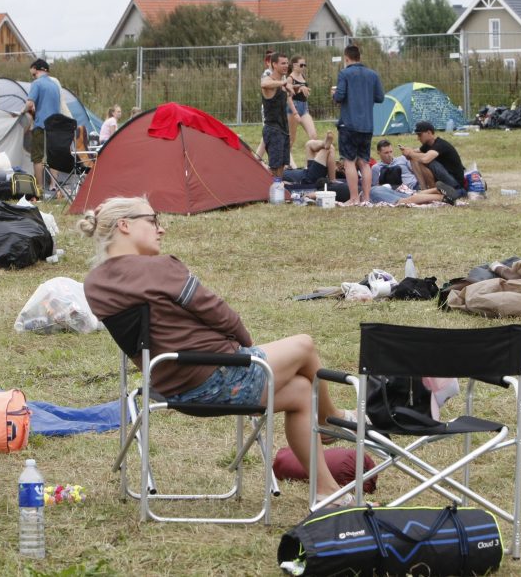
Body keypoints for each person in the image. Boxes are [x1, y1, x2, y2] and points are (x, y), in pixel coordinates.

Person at [79, 196, 351, 505]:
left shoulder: (95, 284)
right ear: (124, 225)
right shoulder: (160, 269)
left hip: (169, 388)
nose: (162, 229)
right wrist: (246, 346)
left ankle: (327, 489)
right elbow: (221, 314)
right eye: (153, 220)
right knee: (304, 344)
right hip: (215, 376)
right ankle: (331, 420)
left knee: (303, 391)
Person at [332, 45, 384, 205]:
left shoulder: (345, 73)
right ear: (359, 57)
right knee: (364, 162)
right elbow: (380, 97)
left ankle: (354, 198)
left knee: (349, 161)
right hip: (367, 125)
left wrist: (334, 95)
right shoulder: (373, 75)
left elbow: (340, 96)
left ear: (346, 58)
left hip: (349, 124)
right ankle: (366, 198)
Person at [399, 120, 466, 203]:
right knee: (414, 158)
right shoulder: (427, 146)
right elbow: (415, 153)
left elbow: (425, 159)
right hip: (444, 180)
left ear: (429, 133)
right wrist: (408, 152)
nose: (418, 138)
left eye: (420, 135)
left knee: (423, 160)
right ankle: (425, 189)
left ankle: (431, 190)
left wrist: (411, 153)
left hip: (455, 182)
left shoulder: (440, 144)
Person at [25, 58, 62, 193]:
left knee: (38, 157)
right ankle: (53, 186)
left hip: (41, 125)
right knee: (53, 157)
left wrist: (20, 112)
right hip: (56, 124)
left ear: (36, 69)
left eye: (33, 74)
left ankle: (40, 188)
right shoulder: (54, 85)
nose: (32, 76)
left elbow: (30, 104)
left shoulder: (37, 83)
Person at [260, 52, 297, 179]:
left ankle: (279, 189)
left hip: (283, 129)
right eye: (283, 63)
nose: (286, 66)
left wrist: (296, 87)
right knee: (274, 167)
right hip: (273, 129)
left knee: (282, 165)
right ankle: (270, 189)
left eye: (287, 63)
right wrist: (284, 83)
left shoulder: (282, 83)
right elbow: (263, 84)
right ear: (274, 64)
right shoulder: (269, 80)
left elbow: (288, 93)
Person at [287, 55, 318, 161]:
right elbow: (288, 98)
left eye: (305, 65)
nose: (303, 67)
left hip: (304, 108)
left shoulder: (303, 76)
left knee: (313, 135)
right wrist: (295, 113)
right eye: (301, 65)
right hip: (293, 108)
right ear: (294, 65)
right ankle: (287, 163)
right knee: (291, 139)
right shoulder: (290, 79)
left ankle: (310, 163)